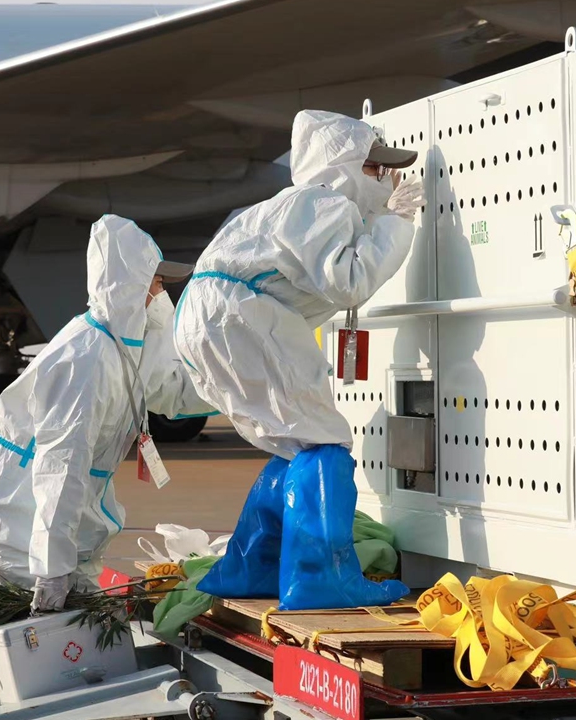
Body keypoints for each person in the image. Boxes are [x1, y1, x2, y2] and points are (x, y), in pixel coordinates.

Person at [174, 109, 425, 610]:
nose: (382, 179)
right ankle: (320, 578)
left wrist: (377, 217)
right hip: (243, 317)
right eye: (374, 169)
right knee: (325, 441)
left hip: (212, 318)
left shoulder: (287, 207)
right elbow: (347, 279)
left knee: (296, 443)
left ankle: (251, 566)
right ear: (342, 166)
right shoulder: (324, 203)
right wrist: (395, 223)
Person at [0, 214, 215, 614]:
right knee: (41, 632)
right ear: (129, 285)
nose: (162, 292)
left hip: (56, 521)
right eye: (156, 280)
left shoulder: (125, 349)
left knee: (72, 625)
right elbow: (60, 469)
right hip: (19, 519)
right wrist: (52, 569)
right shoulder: (86, 358)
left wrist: (239, 390)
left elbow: (173, 392)